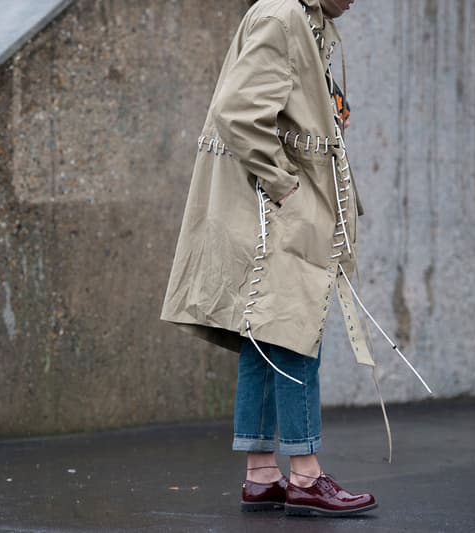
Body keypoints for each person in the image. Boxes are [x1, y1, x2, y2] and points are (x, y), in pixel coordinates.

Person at [161, 0, 382, 517]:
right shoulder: (281, 17)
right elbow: (238, 111)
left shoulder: (306, 20)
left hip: (276, 203)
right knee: (293, 327)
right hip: (273, 205)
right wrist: (286, 187)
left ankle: (261, 473)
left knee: (264, 331)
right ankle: (305, 474)